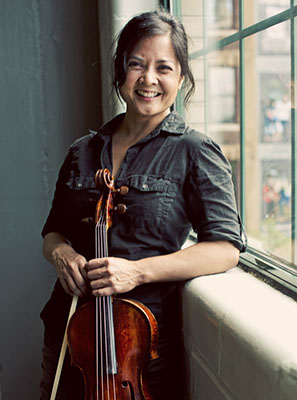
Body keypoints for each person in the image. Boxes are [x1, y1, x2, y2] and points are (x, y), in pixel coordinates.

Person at [40, 9, 246, 400]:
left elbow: (225, 249)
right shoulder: (82, 152)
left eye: (163, 68)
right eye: (136, 64)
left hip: (141, 345)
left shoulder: (196, 151)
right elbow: (53, 231)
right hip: (70, 334)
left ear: (181, 77)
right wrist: (62, 252)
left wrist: (137, 272)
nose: (148, 79)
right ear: (120, 71)